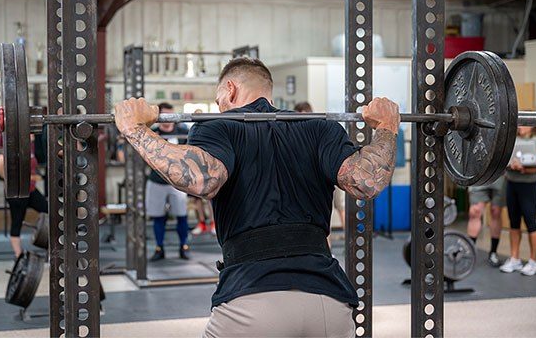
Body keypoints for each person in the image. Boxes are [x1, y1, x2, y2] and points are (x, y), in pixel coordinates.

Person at [115, 57, 399, 336]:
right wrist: (387, 127)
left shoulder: (218, 125)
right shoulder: (319, 126)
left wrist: (133, 128)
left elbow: (202, 180)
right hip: (329, 304)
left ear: (230, 89)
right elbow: (367, 182)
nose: (218, 107)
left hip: (252, 300)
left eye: (218, 100)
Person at [295, 101, 346, 247]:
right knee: (323, 214)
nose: (301, 120)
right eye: (298, 117)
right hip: (320, 180)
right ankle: (328, 249)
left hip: (333, 175)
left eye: (303, 116)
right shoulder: (299, 135)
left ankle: (351, 241)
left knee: (341, 208)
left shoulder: (319, 129)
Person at [144, 102, 191, 261]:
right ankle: (159, 248)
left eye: (171, 116)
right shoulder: (152, 134)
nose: (168, 120)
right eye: (165, 116)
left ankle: (183, 247)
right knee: (158, 216)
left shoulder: (184, 133)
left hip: (177, 183)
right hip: (156, 181)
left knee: (182, 216)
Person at [500, 126, 536, 276]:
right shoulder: (513, 141)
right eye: (519, 124)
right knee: (514, 223)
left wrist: (523, 168)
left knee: (531, 223)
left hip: (529, 187)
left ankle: (534, 262)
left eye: (524, 124)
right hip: (512, 184)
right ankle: (515, 259)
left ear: (532, 126)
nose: (520, 127)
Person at [0, 139, 48, 258]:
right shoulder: (16, 145)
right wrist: (10, 179)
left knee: (49, 211)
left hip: (31, 190)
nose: (33, 134)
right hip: (17, 193)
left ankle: (53, 247)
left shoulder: (30, 146)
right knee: (17, 223)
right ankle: (19, 256)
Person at [467, 176, 506, 267]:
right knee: (475, 211)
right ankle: (469, 253)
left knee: (496, 211)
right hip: (479, 174)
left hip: (499, 173)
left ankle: (493, 252)